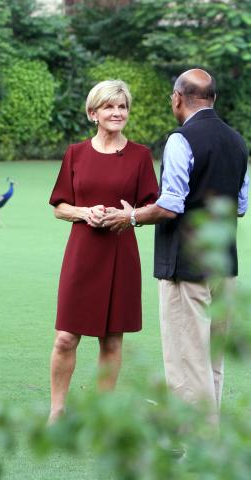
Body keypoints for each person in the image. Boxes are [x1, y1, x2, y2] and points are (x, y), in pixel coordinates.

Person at [104, 69, 249, 423]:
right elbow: (241, 205)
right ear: (213, 98)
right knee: (210, 362)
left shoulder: (181, 140)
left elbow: (170, 205)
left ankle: (197, 446)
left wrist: (132, 217)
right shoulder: (237, 141)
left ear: (177, 98)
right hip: (223, 265)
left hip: (185, 267)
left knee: (187, 359)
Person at [48, 80, 158, 423]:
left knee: (112, 340)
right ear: (93, 113)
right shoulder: (75, 154)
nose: (117, 113)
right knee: (66, 337)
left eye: (122, 107)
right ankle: (57, 411)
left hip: (121, 253)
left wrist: (130, 216)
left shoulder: (140, 156)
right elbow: (59, 206)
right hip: (82, 254)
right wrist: (84, 212)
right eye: (109, 107)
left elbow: (153, 207)